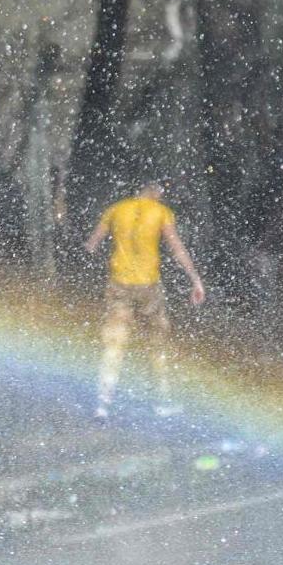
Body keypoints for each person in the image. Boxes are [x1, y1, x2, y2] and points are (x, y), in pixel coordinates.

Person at [84, 174, 207, 420]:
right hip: (149, 286)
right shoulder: (161, 212)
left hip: (119, 284)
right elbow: (177, 248)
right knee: (157, 343)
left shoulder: (116, 209)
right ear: (156, 191)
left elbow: (91, 245)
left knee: (114, 344)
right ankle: (162, 402)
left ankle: (103, 404)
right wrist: (195, 279)